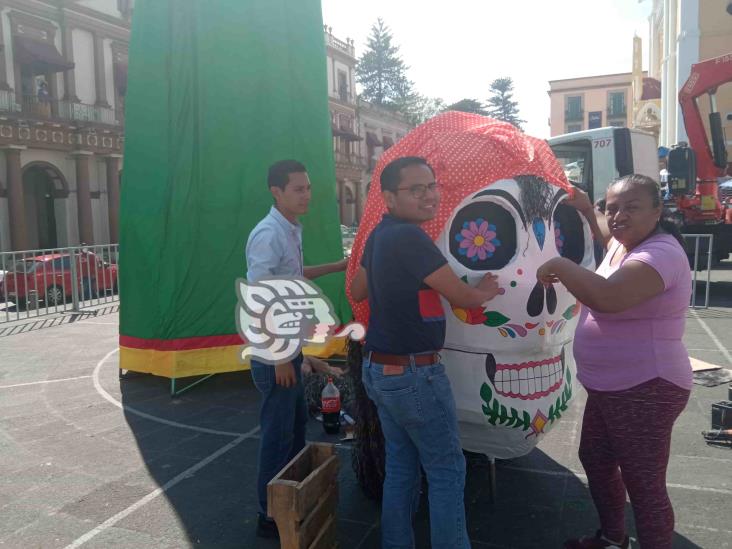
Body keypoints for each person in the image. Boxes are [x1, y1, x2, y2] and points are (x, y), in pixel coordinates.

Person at [350, 156, 501, 549]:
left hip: (381, 370)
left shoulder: (380, 236)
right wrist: (483, 289)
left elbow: (357, 291)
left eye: (431, 186)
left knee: (402, 467)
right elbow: (461, 294)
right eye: (415, 189)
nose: (429, 195)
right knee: (447, 470)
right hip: (415, 374)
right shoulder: (409, 238)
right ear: (388, 197)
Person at [536, 174, 692, 549]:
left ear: (657, 211)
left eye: (632, 207)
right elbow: (608, 239)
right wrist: (590, 210)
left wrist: (560, 263)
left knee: (643, 483)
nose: (618, 216)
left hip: (646, 386)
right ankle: (611, 538)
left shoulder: (661, 254)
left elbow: (607, 296)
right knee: (596, 458)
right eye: (613, 208)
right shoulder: (623, 246)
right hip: (614, 387)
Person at [246, 159, 347, 538]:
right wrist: (278, 358)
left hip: (289, 349)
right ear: (277, 192)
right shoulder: (268, 234)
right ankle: (268, 514)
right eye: (298, 189)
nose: (307, 194)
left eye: (308, 187)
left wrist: (338, 265)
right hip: (274, 354)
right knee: (277, 437)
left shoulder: (290, 229)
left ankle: (294, 500)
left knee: (296, 432)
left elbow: (291, 278)